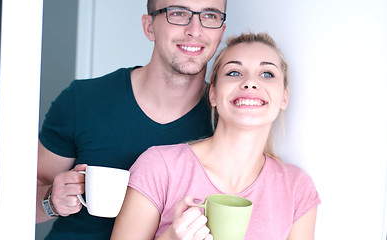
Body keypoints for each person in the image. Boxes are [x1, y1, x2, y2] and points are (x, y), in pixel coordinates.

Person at [36, 0, 227, 239]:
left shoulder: (225, 121)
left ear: (221, 31)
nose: (195, 30)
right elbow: (20, 197)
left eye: (210, 16)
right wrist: (50, 200)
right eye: (178, 13)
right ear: (149, 27)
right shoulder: (82, 100)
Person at [111, 33, 321, 240]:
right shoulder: (158, 167)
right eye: (234, 73)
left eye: (267, 74)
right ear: (213, 94)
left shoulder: (297, 188)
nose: (250, 83)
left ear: (284, 98)